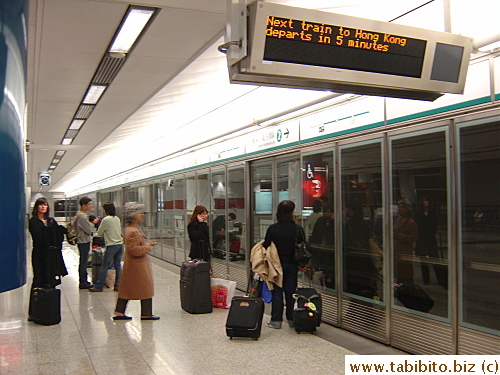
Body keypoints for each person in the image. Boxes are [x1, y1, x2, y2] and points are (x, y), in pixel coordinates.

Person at [112, 202, 159, 320]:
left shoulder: (132, 228)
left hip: (134, 264)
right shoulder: (132, 231)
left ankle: (120, 311)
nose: (142, 214)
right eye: (139, 212)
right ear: (132, 215)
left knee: (127, 288)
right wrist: (148, 247)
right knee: (145, 287)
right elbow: (135, 250)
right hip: (137, 265)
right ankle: (146, 313)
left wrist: (147, 244)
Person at [263, 200, 304, 329]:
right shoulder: (297, 228)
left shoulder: (273, 228)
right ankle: (291, 319)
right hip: (292, 264)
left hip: (276, 265)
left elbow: (266, 246)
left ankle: (276, 320)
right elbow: (303, 246)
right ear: (291, 213)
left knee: (277, 292)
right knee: (291, 292)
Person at [28, 197, 68, 320]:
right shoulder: (33, 221)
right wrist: (53, 232)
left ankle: (49, 308)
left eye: (45, 205)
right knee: (38, 279)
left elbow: (57, 235)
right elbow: (40, 237)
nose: (43, 207)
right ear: (36, 207)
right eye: (40, 205)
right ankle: (34, 310)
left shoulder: (50, 220)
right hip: (39, 255)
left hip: (52, 255)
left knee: (51, 278)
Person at [90, 202, 123, 292]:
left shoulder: (106, 219)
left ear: (107, 210)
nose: (103, 211)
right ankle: (117, 285)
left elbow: (100, 233)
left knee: (105, 266)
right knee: (118, 265)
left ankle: (99, 286)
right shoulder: (117, 218)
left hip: (111, 245)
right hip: (120, 244)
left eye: (104, 209)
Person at [415, 197, 447, 287]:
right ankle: (426, 279)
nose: (427, 202)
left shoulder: (432, 213)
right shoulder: (418, 213)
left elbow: (434, 225)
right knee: (423, 261)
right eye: (425, 200)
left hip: (430, 238)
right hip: (421, 238)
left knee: (434, 259)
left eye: (428, 200)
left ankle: (441, 280)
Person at [394, 197, 419, 284]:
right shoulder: (398, 220)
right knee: (399, 275)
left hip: (405, 251)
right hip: (397, 250)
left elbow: (413, 237)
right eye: (399, 207)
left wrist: (399, 235)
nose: (400, 209)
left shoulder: (411, 223)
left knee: (406, 275)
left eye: (402, 207)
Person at [75, 197, 94, 289]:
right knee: (83, 262)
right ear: (84, 205)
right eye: (89, 204)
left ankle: (84, 280)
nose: (90, 206)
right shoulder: (82, 217)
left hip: (82, 241)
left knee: (83, 261)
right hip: (84, 241)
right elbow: (89, 230)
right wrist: (92, 224)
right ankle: (83, 282)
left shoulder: (79, 215)